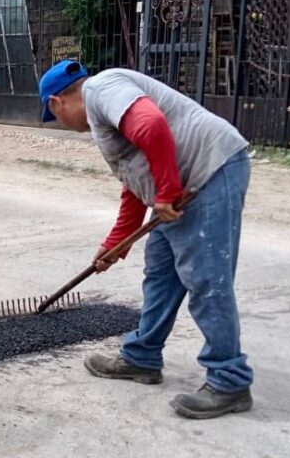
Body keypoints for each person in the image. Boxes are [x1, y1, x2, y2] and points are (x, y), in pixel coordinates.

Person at [39, 59, 254, 419]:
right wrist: (115, 244)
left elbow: (152, 124)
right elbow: (135, 186)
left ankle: (229, 380)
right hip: (178, 187)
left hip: (207, 173)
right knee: (160, 275)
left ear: (56, 103)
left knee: (206, 280)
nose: (61, 124)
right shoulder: (104, 114)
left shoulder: (101, 89)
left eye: (54, 117)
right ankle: (142, 358)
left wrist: (167, 191)